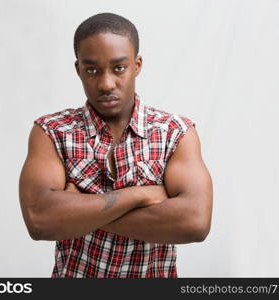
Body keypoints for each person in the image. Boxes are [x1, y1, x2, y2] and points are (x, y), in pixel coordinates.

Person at [18, 12, 213, 278]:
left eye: (119, 68)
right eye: (92, 70)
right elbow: (41, 220)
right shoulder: (52, 132)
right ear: (78, 70)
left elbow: (195, 223)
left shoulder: (174, 133)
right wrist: (140, 195)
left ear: (137, 65)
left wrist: (78, 212)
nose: (106, 83)